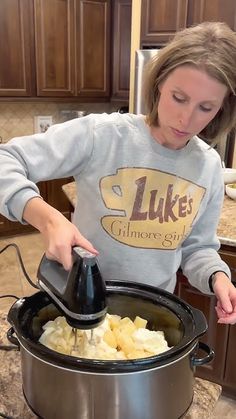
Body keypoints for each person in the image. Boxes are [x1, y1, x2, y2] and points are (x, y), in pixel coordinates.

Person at [0, 21, 236, 325]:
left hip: (151, 321)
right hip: (81, 311)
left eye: (206, 107)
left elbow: (197, 249)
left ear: (222, 109)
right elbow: (5, 157)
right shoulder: (103, 135)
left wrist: (218, 277)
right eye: (179, 98)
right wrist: (48, 218)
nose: (186, 119)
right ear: (160, 82)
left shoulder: (208, 168)